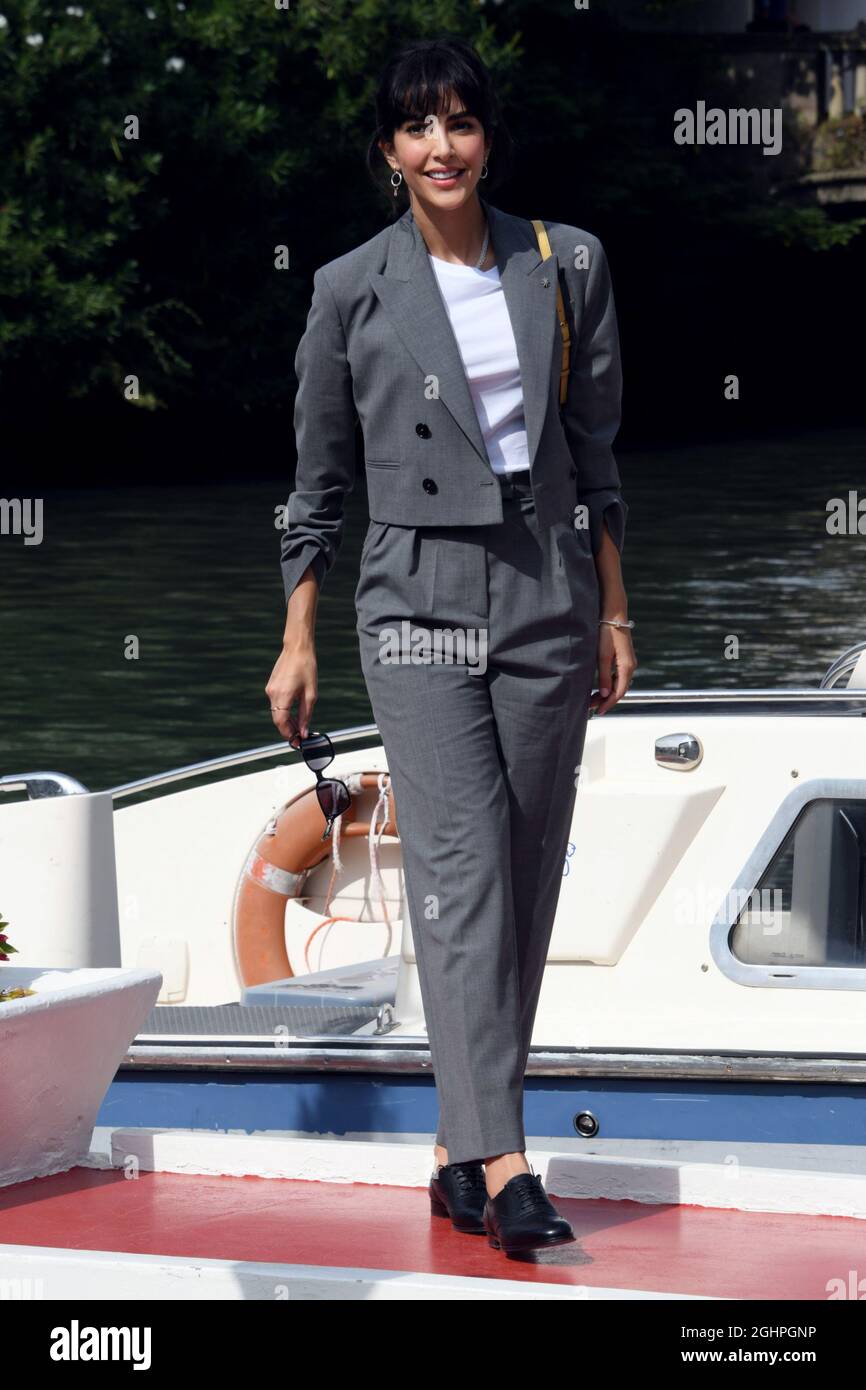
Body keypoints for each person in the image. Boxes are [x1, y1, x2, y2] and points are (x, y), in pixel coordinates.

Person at [266, 35, 636, 1255]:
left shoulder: (564, 263)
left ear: (486, 138)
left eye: (460, 124)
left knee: (524, 875)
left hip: (547, 590)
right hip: (413, 601)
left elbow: (595, 458)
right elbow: (317, 483)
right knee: (463, 870)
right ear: (388, 149)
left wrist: (615, 608)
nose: (441, 147)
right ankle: (508, 1161)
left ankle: (452, 1149)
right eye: (417, 128)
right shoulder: (346, 290)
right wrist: (298, 632)